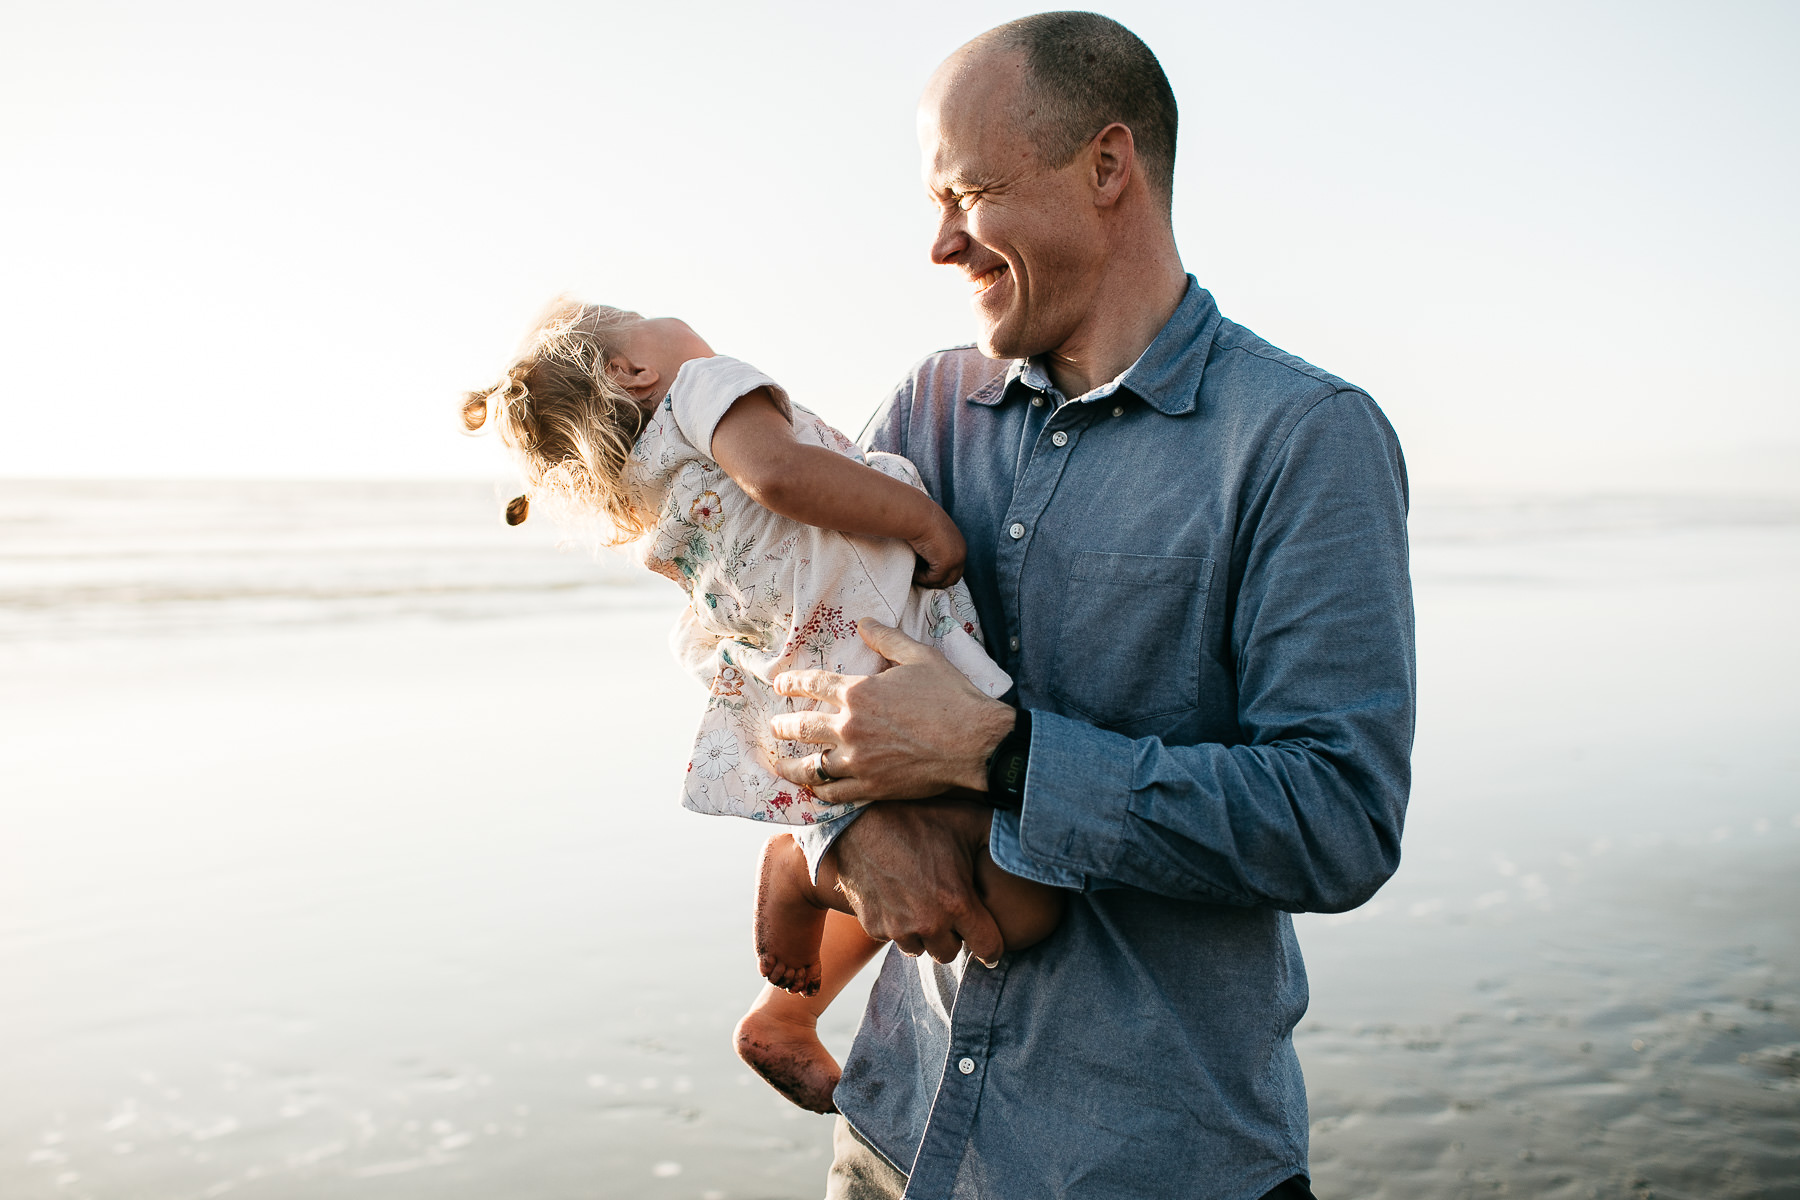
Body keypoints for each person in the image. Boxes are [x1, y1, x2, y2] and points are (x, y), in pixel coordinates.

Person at [763, 12, 1415, 1199]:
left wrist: (1008, 761)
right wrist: (844, 836)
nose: (940, 245)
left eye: (969, 193)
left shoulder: (1305, 441)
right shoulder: (926, 412)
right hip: (893, 1145)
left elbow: (1341, 817)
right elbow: (780, 645)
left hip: (1151, 1162)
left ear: (1108, 166)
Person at [459, 300, 1064, 1116]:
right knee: (1024, 904)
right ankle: (801, 868)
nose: (669, 316)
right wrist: (922, 519)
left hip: (814, 677)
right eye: (642, 317)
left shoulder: (656, 478)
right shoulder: (706, 387)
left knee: (956, 864)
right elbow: (781, 474)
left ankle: (791, 999)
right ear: (632, 372)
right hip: (879, 650)